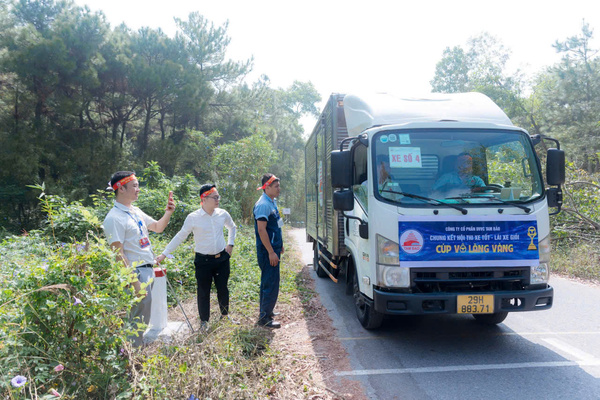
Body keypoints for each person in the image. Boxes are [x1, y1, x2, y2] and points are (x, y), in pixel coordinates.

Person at [102, 171, 175, 347]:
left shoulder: (135, 211)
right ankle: (131, 355)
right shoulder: (113, 218)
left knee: (142, 315)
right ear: (120, 188)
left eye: (137, 185)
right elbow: (118, 253)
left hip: (146, 269)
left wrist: (168, 212)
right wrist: (135, 283)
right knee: (136, 317)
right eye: (134, 186)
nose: (138, 189)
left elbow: (157, 227)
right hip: (135, 273)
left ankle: (134, 351)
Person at [155, 184, 237, 331]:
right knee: (203, 291)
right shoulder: (193, 218)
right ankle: (204, 322)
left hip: (221, 259)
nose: (218, 199)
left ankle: (225, 316)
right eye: (215, 197)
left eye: (218, 196)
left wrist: (230, 245)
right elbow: (180, 236)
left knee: (223, 288)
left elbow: (232, 227)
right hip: (203, 261)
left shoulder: (222, 214)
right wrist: (164, 254)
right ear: (204, 199)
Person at [253, 173, 284, 329]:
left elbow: (276, 226)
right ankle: (264, 318)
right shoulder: (263, 204)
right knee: (269, 282)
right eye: (276, 186)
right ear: (267, 187)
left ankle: (268, 311)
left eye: (279, 185)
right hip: (267, 251)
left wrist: (280, 245)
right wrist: (271, 252)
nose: (279, 188)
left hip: (274, 248)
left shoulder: (272, 201)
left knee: (273, 281)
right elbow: (261, 230)